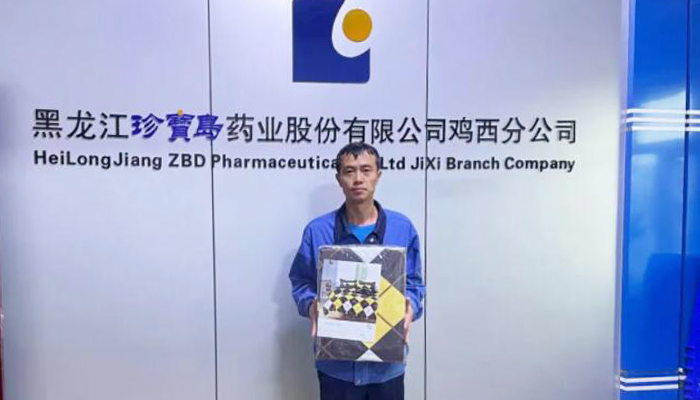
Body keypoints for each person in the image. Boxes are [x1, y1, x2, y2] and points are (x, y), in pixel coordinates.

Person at [289, 143, 425, 400]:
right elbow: (301, 283)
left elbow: (415, 284)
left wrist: (411, 307)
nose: (358, 178)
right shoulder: (317, 231)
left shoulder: (402, 228)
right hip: (336, 369)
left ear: (378, 175)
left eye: (366, 170)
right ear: (339, 178)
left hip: (387, 369)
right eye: (349, 171)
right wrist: (312, 306)